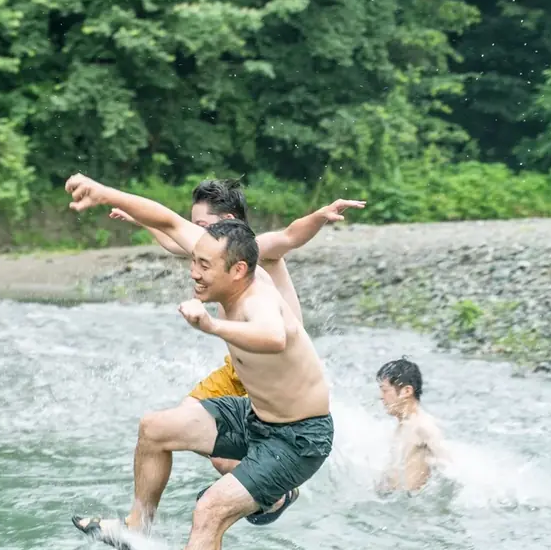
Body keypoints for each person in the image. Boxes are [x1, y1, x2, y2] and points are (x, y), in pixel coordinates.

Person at [65, 174, 335, 550]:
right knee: (155, 429)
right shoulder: (222, 252)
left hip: (299, 439)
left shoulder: (257, 299)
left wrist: (211, 325)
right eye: (195, 262)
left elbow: (275, 336)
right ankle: (138, 526)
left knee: (209, 509)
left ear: (238, 270)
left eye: (203, 266)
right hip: (256, 416)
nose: (193, 272)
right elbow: (169, 222)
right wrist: (104, 193)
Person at [110, 179, 363, 480]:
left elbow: (291, 235)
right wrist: (140, 218)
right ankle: (260, 482)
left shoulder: (256, 249)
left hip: (274, 365)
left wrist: (319, 217)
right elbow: (171, 238)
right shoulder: (212, 252)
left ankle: (271, 489)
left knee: (222, 458)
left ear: (227, 221)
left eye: (203, 225)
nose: (198, 235)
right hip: (239, 367)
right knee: (178, 423)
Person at [375, 357, 449, 492]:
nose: (380, 396)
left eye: (385, 390)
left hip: (413, 507)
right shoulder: (403, 425)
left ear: (407, 391)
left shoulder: (424, 426)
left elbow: (451, 469)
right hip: (397, 503)